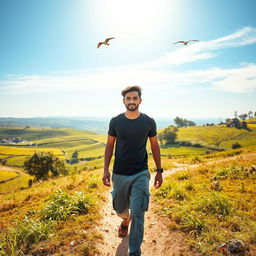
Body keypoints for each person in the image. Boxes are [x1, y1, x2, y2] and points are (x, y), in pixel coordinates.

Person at [102, 85, 163, 256]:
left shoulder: (149, 122)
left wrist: (159, 171)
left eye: (135, 98)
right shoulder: (116, 121)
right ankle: (124, 220)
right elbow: (109, 145)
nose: (131, 101)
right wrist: (106, 170)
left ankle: (134, 252)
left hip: (140, 173)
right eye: (128, 99)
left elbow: (154, 145)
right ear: (124, 101)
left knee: (138, 212)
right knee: (120, 209)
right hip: (120, 173)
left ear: (140, 100)